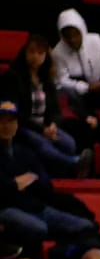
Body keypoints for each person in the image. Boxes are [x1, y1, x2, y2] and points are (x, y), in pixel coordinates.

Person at [0, 102, 99, 258]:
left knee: (85, 227)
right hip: (7, 210)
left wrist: (18, 183)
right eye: (2, 121)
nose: (6, 125)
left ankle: (58, 254)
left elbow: (45, 184)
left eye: (11, 121)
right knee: (39, 228)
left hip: (37, 207)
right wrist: (15, 183)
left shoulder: (24, 151)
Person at [6, 36, 82, 178]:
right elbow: (16, 112)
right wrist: (42, 130)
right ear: (25, 53)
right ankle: (73, 163)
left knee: (69, 143)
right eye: (32, 52)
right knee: (41, 144)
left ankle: (67, 171)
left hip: (45, 126)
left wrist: (53, 125)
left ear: (46, 56)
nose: (36, 56)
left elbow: (55, 110)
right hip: (22, 127)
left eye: (40, 53)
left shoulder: (47, 79)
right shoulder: (13, 77)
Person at [52, 9, 100, 140]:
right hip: (79, 96)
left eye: (75, 34)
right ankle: (89, 121)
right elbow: (61, 81)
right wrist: (86, 87)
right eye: (67, 36)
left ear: (82, 30)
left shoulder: (95, 41)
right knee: (67, 92)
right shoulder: (57, 53)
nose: (72, 40)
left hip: (97, 90)